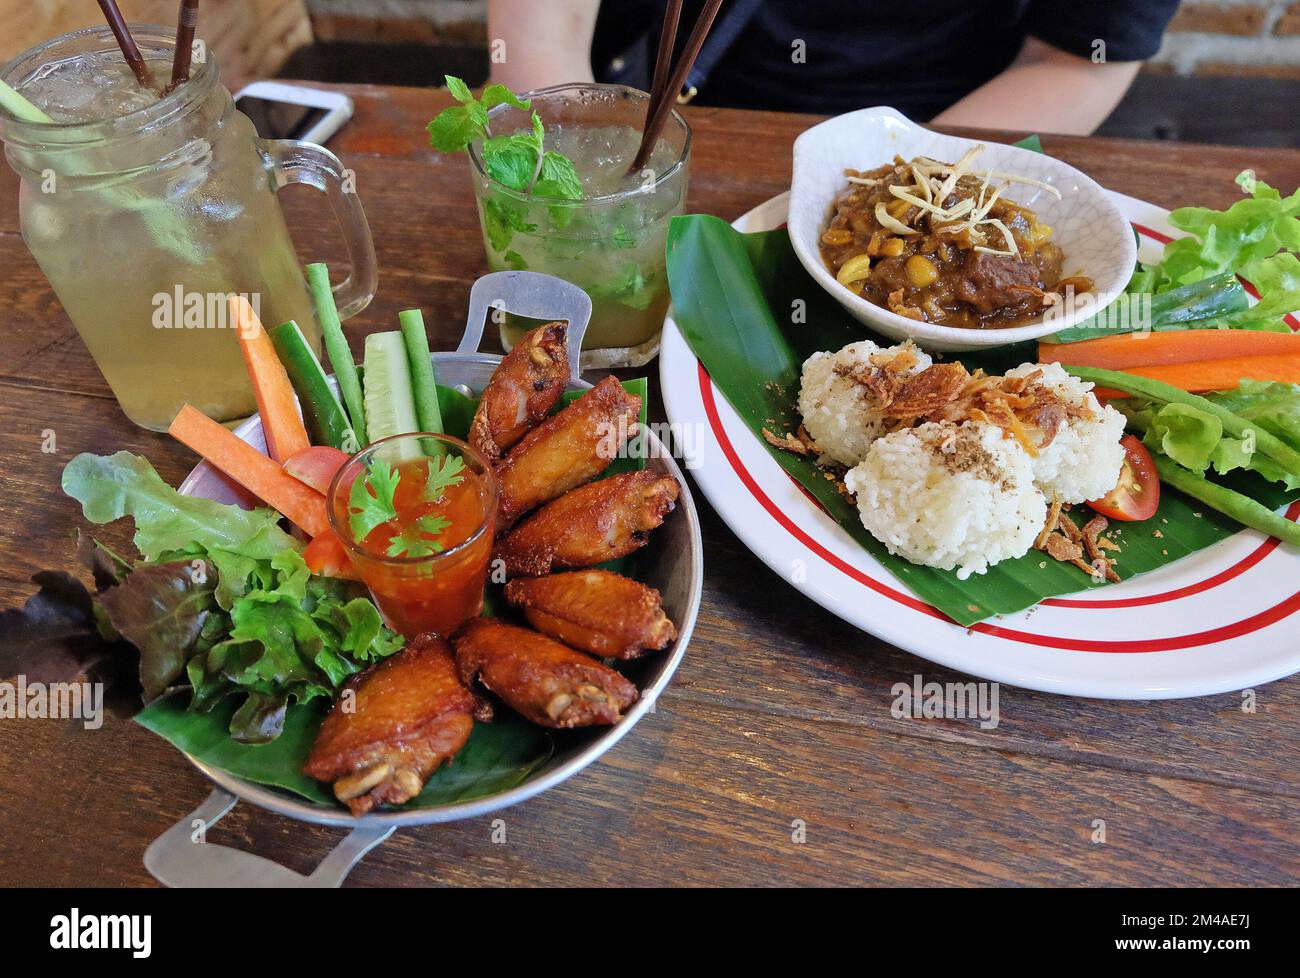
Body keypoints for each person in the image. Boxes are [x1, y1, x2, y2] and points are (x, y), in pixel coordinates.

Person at [486, 0, 1180, 135]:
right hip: (691, 106)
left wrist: (912, 180)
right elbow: (541, 26)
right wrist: (567, 174)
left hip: (962, 124)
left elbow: (1081, 62)